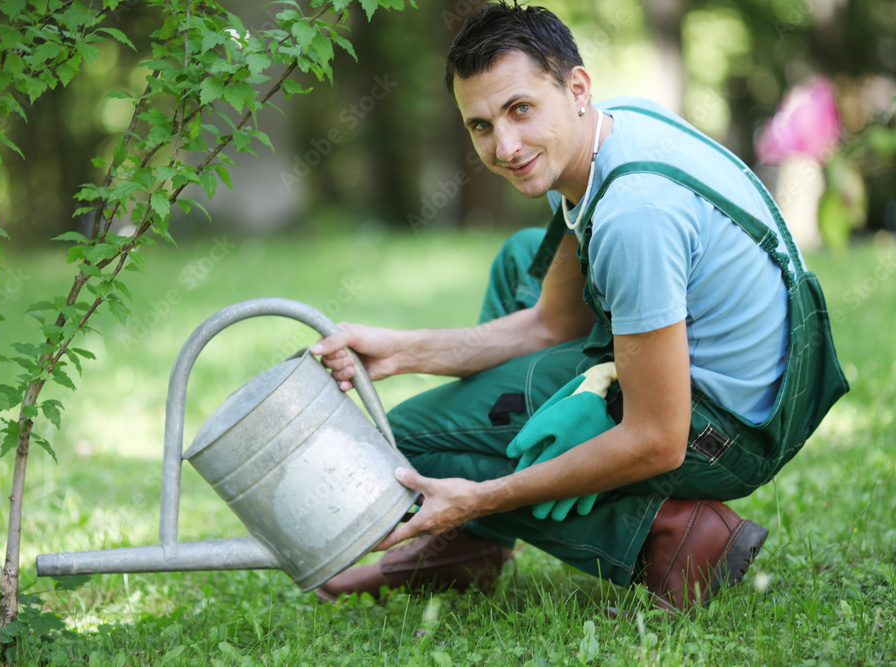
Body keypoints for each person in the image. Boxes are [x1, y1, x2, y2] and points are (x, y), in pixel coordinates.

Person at [311, 2, 848, 611]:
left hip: (725, 433)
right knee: (520, 261)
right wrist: (401, 351)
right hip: (765, 390)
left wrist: (484, 496)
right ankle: (473, 548)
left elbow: (658, 439)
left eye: (519, 109)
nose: (506, 145)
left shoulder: (633, 214)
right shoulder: (608, 134)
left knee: (409, 442)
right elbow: (554, 322)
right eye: (480, 125)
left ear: (577, 87)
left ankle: (675, 537)